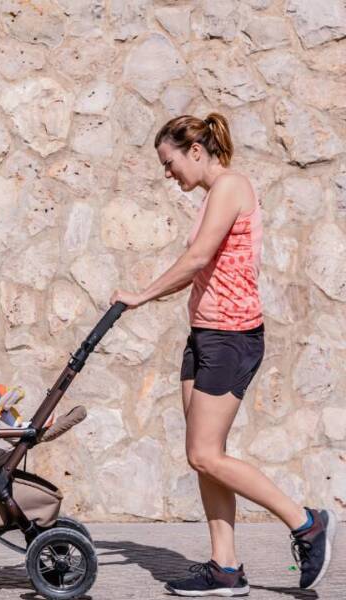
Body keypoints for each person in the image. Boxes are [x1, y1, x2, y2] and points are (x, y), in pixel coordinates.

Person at [109, 113, 337, 597]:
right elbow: (201, 269)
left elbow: (196, 259)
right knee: (203, 459)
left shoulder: (231, 186)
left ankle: (306, 522)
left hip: (230, 338)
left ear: (195, 151)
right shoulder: (214, 195)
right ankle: (225, 568)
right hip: (205, 335)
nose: (168, 174)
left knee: (204, 453)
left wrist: (141, 295)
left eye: (170, 163)